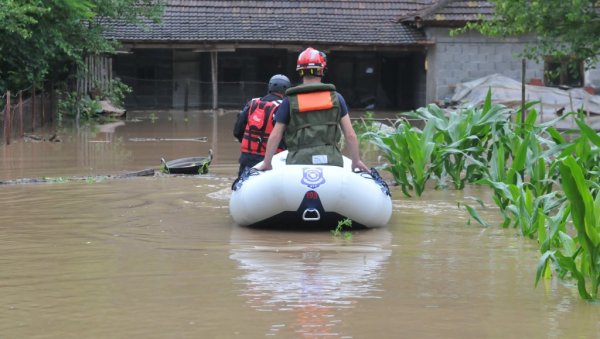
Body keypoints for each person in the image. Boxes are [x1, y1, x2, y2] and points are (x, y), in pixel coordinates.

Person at [256, 47, 369, 172]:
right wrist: (356, 161)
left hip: (298, 162)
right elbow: (350, 135)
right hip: (331, 161)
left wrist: (267, 162)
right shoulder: (337, 98)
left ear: (300, 71)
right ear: (322, 70)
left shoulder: (289, 100)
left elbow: (276, 135)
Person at [233, 74, 291, 177]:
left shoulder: (252, 103)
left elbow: (237, 131)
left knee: (243, 184)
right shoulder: (284, 107)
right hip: (273, 158)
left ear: (270, 87)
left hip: (247, 157)